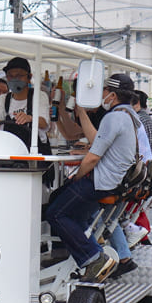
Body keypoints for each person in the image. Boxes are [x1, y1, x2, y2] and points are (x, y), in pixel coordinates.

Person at [44, 73, 141, 283]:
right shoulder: (128, 115)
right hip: (114, 181)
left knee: (55, 213)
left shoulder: (113, 117)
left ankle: (94, 258)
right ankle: (82, 253)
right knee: (60, 201)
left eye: (104, 91)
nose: (101, 95)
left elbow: (92, 158)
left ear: (112, 95)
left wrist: (76, 177)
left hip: (101, 181)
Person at [0, 57, 50, 149]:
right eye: (10, 76)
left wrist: (30, 118)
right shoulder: (2, 100)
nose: (14, 79)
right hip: (8, 150)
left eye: (19, 76)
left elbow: (44, 123)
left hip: (35, 152)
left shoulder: (38, 96)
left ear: (29, 77)